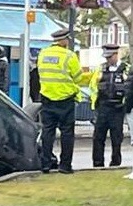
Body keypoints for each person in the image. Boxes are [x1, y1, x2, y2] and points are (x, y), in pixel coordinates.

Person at [37, 27, 87, 174]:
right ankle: (65, 166)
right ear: (64, 40)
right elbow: (78, 77)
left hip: (47, 98)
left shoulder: (43, 54)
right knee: (67, 133)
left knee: (47, 132)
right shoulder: (69, 56)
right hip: (65, 100)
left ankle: (46, 164)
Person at [89, 44, 128, 167]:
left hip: (118, 109)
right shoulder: (101, 69)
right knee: (98, 137)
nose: (107, 60)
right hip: (103, 108)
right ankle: (98, 163)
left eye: (110, 57)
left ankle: (115, 163)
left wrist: (126, 103)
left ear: (116, 55)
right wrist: (95, 103)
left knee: (117, 138)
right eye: (106, 57)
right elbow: (93, 86)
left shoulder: (126, 69)